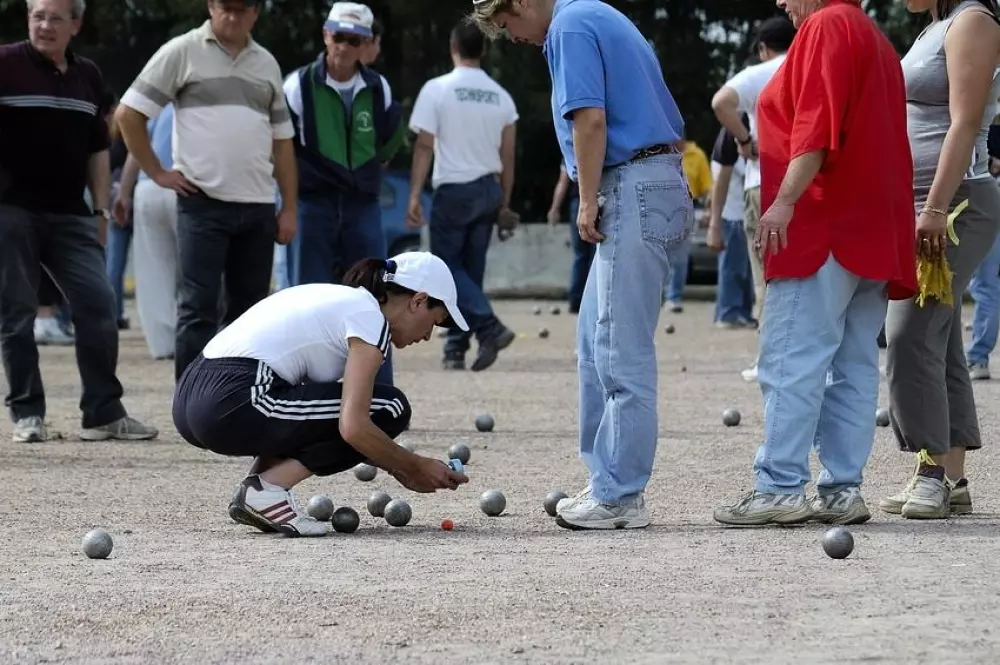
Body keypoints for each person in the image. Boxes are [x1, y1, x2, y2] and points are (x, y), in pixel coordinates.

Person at [472, 0, 692, 530]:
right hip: (653, 177)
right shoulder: (594, 14)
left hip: (630, 183)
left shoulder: (568, 27)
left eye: (507, 23)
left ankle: (620, 494)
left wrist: (588, 199)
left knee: (618, 347)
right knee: (595, 341)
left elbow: (590, 120)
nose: (512, 37)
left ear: (522, 2)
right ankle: (606, 481)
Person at [713, 0, 916, 526]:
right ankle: (842, 489)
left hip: (823, 221)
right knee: (853, 365)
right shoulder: (875, 38)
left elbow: (817, 126)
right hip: (871, 226)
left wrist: (784, 200)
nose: (782, 3)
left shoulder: (826, 25)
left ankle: (780, 485)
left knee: (791, 358)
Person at [172, 252, 471, 537]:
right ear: (418, 301)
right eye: (435, 322)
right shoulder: (370, 319)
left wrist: (398, 467)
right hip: (234, 398)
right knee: (391, 407)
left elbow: (317, 424)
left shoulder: (339, 300)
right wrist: (413, 466)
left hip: (193, 395)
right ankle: (266, 490)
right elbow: (354, 427)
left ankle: (259, 490)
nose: (428, 336)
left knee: (316, 408)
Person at [0, 0, 158, 443]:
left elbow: (98, 150)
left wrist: (101, 210)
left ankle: (102, 412)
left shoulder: (88, 75)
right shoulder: (5, 64)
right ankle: (28, 415)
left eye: (55, 17)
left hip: (71, 213)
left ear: (76, 23)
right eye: (37, 16)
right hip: (10, 210)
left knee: (99, 305)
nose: (44, 25)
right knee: (16, 312)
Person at [116, 0, 299, 382]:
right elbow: (129, 113)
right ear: (211, 6)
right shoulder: (182, 51)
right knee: (197, 309)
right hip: (202, 202)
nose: (232, 15)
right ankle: (189, 399)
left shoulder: (266, 63)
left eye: (242, 8)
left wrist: (289, 208)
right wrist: (157, 172)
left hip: (258, 204)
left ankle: (241, 396)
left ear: (256, 12)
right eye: (225, 6)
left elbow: (283, 143)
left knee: (251, 314)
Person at [882, 0, 1000, 520]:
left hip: (954, 204)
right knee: (941, 338)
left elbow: (965, 122)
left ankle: (931, 474)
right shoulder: (934, 27)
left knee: (910, 333)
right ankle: (951, 479)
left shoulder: (972, 21)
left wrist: (932, 207)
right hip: (924, 203)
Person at [282, 2, 403, 385]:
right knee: (306, 298)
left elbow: (391, 138)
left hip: (361, 205)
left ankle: (379, 392)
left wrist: (365, 175)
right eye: (339, 36)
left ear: (366, 43)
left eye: (355, 39)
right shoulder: (297, 86)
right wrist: (288, 203)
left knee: (374, 297)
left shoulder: (378, 87)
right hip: (312, 203)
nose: (345, 46)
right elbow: (282, 147)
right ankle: (303, 392)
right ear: (325, 35)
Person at [406, 20, 519, 372]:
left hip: (454, 189)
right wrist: (504, 201)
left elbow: (424, 146)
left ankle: (488, 326)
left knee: (447, 270)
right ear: (483, 50)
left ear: (452, 47)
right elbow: (508, 155)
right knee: (471, 271)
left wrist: (414, 194)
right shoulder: (501, 96)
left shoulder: (437, 89)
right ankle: (457, 346)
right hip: (488, 188)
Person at [711, 16, 797, 381]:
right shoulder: (810, 64)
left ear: (763, 49)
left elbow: (721, 102)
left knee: (768, 279)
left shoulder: (759, 74)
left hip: (764, 183)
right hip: (808, 181)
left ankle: (770, 360)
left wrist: (745, 140)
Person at [113, 103, 178, 360]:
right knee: (193, 271)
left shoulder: (160, 107)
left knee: (153, 269)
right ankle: (192, 337)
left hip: (148, 186)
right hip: (185, 184)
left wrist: (123, 192)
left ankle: (162, 343)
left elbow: (136, 149)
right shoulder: (200, 100)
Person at [706, 116, 756, 328]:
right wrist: (715, 223)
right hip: (733, 214)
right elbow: (721, 183)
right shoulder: (732, 141)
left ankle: (742, 311)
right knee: (733, 267)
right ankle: (728, 312)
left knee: (744, 269)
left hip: (740, 214)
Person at [664, 138, 713, 313]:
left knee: (679, 257)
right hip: (661, 207)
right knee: (658, 255)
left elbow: (707, 187)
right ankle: (656, 296)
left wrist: (709, 208)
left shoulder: (696, 155)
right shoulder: (660, 152)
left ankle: (673, 297)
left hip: (686, 207)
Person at [966, 138, 1000, 380]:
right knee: (986, 283)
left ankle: (977, 358)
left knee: (985, 284)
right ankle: (978, 357)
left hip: (986, 184)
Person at [547, 162, 591, 314]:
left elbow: (563, 181)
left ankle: (576, 300)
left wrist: (555, 208)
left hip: (579, 203)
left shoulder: (572, 151)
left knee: (581, 255)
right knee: (595, 256)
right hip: (599, 198)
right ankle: (591, 300)